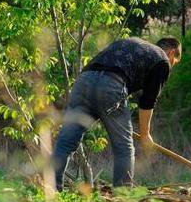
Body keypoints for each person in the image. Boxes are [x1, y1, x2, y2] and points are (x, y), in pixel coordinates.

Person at [52, 37, 182, 191]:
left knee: (66, 141)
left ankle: (52, 190)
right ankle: (123, 196)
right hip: (111, 84)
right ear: (172, 53)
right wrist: (145, 134)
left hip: (83, 81)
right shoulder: (162, 59)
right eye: (174, 62)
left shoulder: (138, 45)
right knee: (124, 148)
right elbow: (147, 101)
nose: (171, 66)